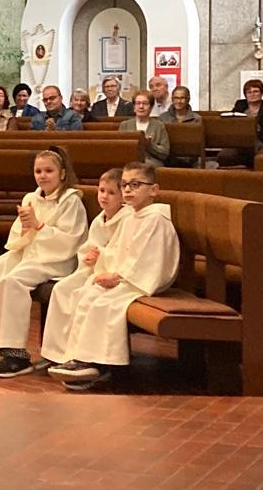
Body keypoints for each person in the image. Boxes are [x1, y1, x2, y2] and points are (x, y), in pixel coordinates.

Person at [46, 162, 180, 390]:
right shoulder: (133, 217)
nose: (127, 190)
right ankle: (79, 358)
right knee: (86, 294)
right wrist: (102, 262)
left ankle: (102, 365)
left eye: (135, 185)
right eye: (125, 184)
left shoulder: (156, 219)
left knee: (103, 303)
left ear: (153, 190)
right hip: (130, 278)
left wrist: (117, 277)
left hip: (144, 281)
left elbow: (148, 261)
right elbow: (117, 251)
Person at [0, 147, 87, 377]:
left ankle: (15, 354)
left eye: (49, 170)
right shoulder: (31, 198)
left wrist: (38, 226)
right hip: (29, 253)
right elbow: (17, 238)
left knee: (14, 281)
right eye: (38, 171)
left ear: (62, 173)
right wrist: (25, 228)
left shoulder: (71, 201)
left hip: (56, 261)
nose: (43, 175)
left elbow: (70, 242)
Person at [38, 168, 130, 385]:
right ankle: (56, 354)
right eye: (101, 191)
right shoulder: (99, 219)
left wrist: (102, 257)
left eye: (111, 193)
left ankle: (80, 357)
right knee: (61, 290)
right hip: (94, 270)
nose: (104, 196)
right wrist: (88, 257)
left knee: (81, 294)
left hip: (112, 275)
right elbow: (89, 247)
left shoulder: (127, 219)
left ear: (123, 197)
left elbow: (123, 253)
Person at [119, 90, 169, 167]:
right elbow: (119, 149)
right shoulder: (125, 125)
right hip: (129, 164)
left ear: (151, 107)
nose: (141, 107)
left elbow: (165, 153)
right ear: (134, 107)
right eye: (138, 103)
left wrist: (150, 145)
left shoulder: (159, 126)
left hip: (152, 165)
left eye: (145, 103)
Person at [160, 86, 201, 167]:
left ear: (188, 99)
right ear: (172, 99)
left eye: (182, 98)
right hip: (168, 158)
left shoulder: (197, 119)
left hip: (190, 159)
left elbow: (199, 143)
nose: (179, 101)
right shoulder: (163, 118)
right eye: (176, 98)